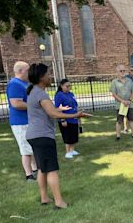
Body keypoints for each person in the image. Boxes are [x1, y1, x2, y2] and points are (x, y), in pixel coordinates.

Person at [26, 63, 91, 209]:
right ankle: (59, 202)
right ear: (41, 77)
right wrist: (77, 114)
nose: (50, 76)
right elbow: (53, 114)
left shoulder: (32, 91)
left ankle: (44, 198)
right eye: (48, 74)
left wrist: (57, 109)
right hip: (43, 136)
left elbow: (45, 110)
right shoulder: (40, 94)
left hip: (33, 135)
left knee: (42, 168)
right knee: (52, 170)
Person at [6, 61, 38, 182]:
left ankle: (35, 168)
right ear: (20, 71)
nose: (29, 72)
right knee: (25, 149)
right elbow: (16, 103)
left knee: (32, 145)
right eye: (27, 70)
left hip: (28, 120)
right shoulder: (14, 84)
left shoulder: (24, 83)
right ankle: (29, 175)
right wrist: (34, 105)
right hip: (20, 122)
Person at [54, 79, 81, 159]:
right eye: (67, 86)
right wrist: (63, 119)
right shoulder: (59, 95)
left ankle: (72, 150)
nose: (69, 87)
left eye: (70, 86)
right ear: (62, 86)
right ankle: (68, 151)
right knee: (67, 135)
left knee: (74, 135)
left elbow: (75, 105)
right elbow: (58, 108)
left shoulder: (71, 94)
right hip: (66, 118)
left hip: (74, 117)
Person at [110, 64, 133, 140]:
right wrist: (122, 101)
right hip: (120, 105)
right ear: (117, 72)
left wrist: (128, 101)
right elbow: (114, 94)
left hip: (129, 104)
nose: (122, 72)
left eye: (123, 70)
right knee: (119, 121)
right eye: (120, 71)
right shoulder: (114, 82)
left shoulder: (129, 80)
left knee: (131, 120)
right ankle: (118, 136)